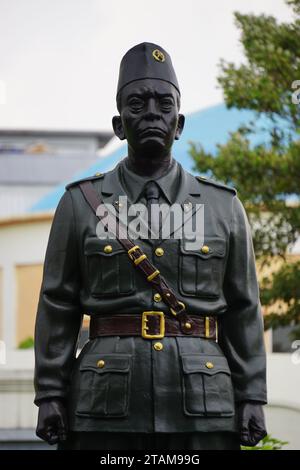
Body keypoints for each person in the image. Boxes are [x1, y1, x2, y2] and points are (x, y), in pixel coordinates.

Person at [34, 42, 267, 450]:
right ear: (119, 124)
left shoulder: (222, 206)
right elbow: (57, 304)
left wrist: (252, 396)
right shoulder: (79, 204)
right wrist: (50, 393)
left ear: (179, 123)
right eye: (137, 104)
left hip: (203, 402)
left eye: (164, 104)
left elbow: (244, 307)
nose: (152, 114)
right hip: (104, 403)